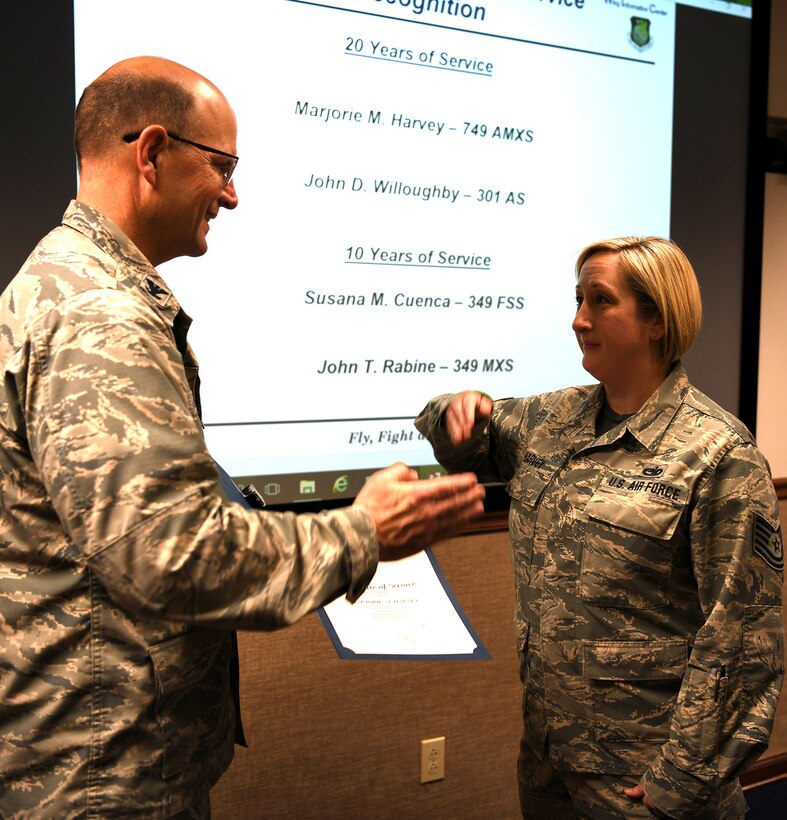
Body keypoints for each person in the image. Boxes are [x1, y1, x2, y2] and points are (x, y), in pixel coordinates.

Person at [0, 57, 485, 818]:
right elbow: (170, 554)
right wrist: (362, 530)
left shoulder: (70, 287)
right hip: (102, 776)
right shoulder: (100, 316)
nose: (232, 194)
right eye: (220, 166)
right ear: (151, 152)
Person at [415, 236, 784, 819]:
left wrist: (682, 778)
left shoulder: (719, 455)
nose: (578, 319)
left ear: (657, 320)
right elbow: (457, 429)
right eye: (577, 299)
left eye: (600, 302)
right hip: (548, 758)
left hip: (645, 780)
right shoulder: (550, 420)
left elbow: (742, 640)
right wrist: (459, 407)